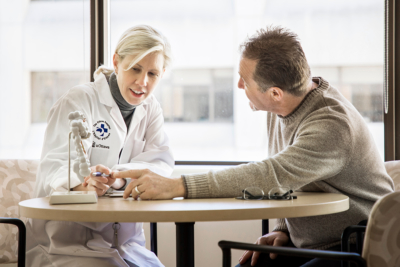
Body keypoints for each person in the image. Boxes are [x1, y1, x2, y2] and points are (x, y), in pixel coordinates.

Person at [112, 26, 394, 267]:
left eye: (244, 80)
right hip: (310, 243)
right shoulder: (283, 106)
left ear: (274, 93)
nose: (238, 84)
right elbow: (293, 176)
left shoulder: (331, 125)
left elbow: (273, 173)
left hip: (355, 246)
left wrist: (177, 186)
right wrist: (283, 229)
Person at [26, 25, 174, 267]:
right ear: (116, 62)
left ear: (162, 73)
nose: (142, 82)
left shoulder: (151, 109)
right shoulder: (79, 100)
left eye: (153, 74)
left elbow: (160, 164)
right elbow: (56, 164)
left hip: (127, 244)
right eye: (135, 68)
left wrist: (118, 179)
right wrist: (83, 184)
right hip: (66, 244)